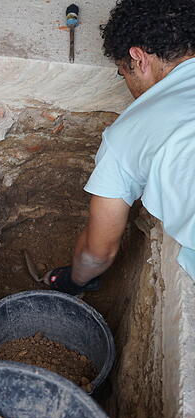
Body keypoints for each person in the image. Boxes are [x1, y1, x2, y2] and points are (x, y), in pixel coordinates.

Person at [45, 0, 195, 295]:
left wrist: (73, 281)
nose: (126, 83)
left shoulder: (128, 133)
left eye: (122, 73)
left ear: (138, 58)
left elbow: (96, 253)